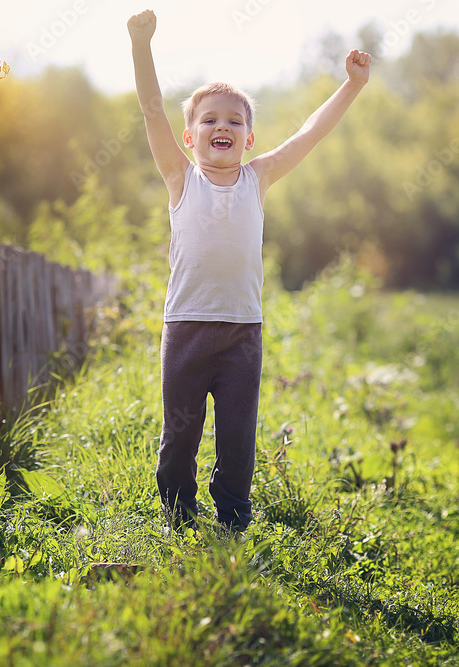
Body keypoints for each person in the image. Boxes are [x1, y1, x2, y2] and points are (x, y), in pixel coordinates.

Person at [127, 8, 371, 532]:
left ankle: (234, 514)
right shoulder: (180, 178)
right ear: (190, 137)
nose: (223, 126)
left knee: (238, 433)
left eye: (235, 121)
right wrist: (141, 43)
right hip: (187, 328)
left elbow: (310, 132)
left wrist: (351, 86)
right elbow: (151, 112)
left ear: (250, 139)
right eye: (210, 120)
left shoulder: (257, 179)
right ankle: (176, 513)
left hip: (243, 332)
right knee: (181, 430)